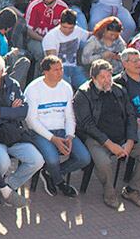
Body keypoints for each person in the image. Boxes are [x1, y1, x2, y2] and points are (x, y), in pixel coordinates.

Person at [74, 60, 140, 210]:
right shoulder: (83, 94)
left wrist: (130, 141)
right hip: (97, 139)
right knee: (104, 163)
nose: (107, 81)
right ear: (93, 78)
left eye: (109, 76)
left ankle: (132, 190)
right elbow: (88, 125)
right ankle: (109, 192)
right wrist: (109, 144)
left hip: (122, 137)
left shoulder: (119, 90)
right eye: (103, 77)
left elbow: (131, 115)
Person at [0, 56, 46, 194]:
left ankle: (4, 186)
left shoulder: (13, 84)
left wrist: (0, 113)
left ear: (2, 71)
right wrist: (12, 111)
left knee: (37, 160)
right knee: (3, 162)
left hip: (12, 131)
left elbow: (23, 111)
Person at [23, 56, 90, 197]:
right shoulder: (33, 89)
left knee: (84, 158)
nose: (60, 73)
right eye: (55, 70)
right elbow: (31, 121)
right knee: (53, 160)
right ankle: (60, 182)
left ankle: (49, 172)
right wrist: (53, 139)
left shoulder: (66, 87)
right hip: (40, 132)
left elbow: (69, 115)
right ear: (45, 72)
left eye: (61, 69)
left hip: (63, 130)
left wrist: (70, 136)